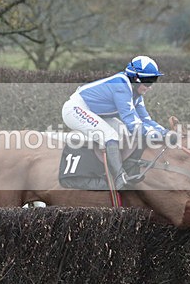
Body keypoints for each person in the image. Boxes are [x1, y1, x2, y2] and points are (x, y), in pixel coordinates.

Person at [62, 55, 169, 190]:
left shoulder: (135, 93)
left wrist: (165, 132)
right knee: (110, 135)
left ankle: (116, 170)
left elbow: (146, 120)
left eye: (154, 80)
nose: (151, 86)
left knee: (122, 133)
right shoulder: (121, 87)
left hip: (93, 111)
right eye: (149, 81)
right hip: (75, 109)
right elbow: (134, 125)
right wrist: (159, 136)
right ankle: (119, 178)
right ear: (135, 79)